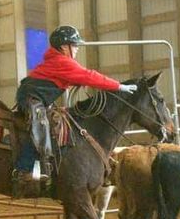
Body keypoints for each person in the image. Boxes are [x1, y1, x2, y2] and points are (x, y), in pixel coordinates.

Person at [13, 25, 138, 195]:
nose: (77, 48)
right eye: (75, 45)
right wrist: (119, 86)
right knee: (39, 125)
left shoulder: (57, 61)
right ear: (64, 47)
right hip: (32, 99)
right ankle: (24, 170)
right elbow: (89, 76)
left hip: (37, 97)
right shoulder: (62, 61)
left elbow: (79, 77)